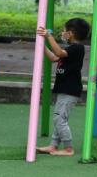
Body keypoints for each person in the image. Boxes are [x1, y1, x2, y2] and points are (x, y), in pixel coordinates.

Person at [36, 18, 90, 156]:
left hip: (70, 89)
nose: (62, 33)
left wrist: (48, 36)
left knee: (60, 119)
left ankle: (68, 148)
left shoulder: (77, 48)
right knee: (59, 117)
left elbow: (59, 53)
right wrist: (42, 45)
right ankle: (53, 145)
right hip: (64, 89)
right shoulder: (70, 49)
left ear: (71, 33)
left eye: (64, 31)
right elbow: (54, 58)